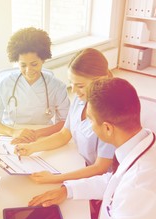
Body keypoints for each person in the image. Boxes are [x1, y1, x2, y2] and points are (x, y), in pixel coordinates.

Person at [0, 77, 156, 219]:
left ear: (108, 128)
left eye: (90, 119)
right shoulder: (147, 140)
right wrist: (68, 190)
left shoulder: (141, 185)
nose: (88, 125)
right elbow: (115, 180)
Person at [15, 48, 115, 186]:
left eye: (80, 85)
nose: (73, 90)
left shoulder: (110, 115)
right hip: (78, 163)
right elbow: (64, 134)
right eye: (72, 83)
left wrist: (56, 178)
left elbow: (100, 168)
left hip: (100, 181)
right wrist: (32, 147)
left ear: (101, 80)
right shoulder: (80, 100)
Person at [0, 27, 70, 144]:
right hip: (11, 134)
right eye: (23, 65)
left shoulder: (57, 87)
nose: (29, 70)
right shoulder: (4, 83)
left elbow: (66, 121)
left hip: (44, 134)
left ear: (43, 60)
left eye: (34, 64)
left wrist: (36, 134)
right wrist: (13, 132)